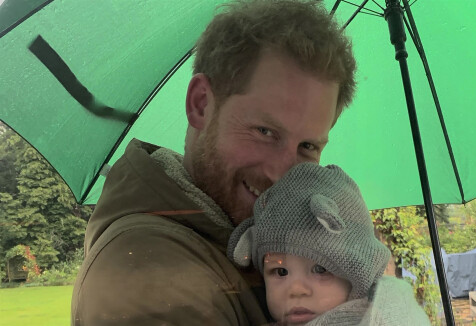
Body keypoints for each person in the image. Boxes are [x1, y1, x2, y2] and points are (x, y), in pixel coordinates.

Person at [71, 0, 356, 325]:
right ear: (201, 104)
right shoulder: (154, 277)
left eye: (307, 146)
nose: (282, 175)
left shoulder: (255, 248)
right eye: (265, 131)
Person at [228, 162, 431, 325]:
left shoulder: (384, 316)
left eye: (320, 268)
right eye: (280, 272)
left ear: (359, 271)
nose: (297, 290)